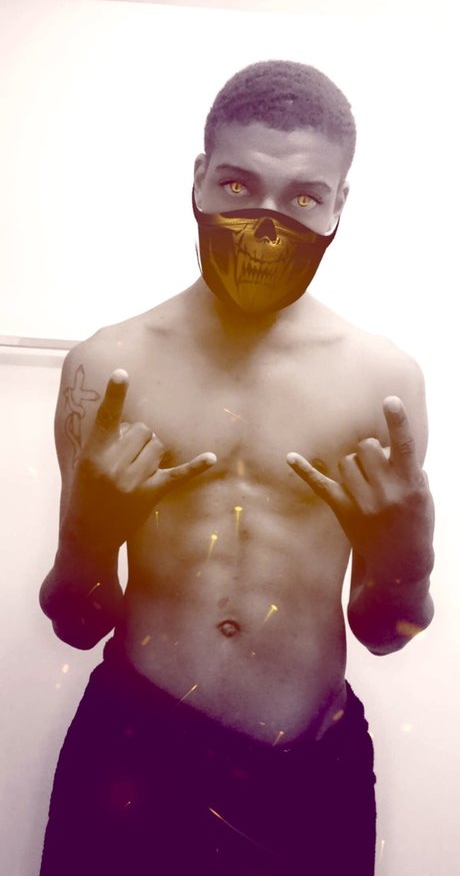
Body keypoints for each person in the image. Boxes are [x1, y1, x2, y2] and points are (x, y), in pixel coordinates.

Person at [39, 60, 435, 876]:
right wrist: (88, 535)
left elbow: (383, 632)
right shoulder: (104, 370)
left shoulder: (384, 383)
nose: (266, 225)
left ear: (339, 203)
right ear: (199, 178)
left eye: (303, 198)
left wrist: (408, 554)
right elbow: (76, 621)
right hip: (132, 757)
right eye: (237, 185)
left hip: (310, 774)